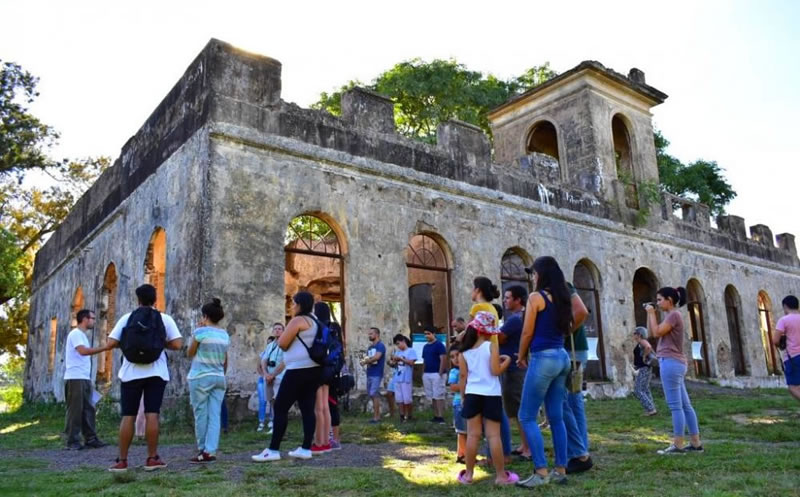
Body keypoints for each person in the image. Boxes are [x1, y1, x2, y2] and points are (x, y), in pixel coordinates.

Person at [106, 284, 183, 472]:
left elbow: (111, 342)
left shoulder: (127, 318)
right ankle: (152, 458)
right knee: (152, 414)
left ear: (138, 299)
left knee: (128, 416)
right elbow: (177, 344)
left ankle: (122, 461)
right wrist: (158, 342)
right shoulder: (164, 319)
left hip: (130, 373)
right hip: (156, 372)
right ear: (155, 299)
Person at [516, 256, 573, 487]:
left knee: (526, 416)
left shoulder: (536, 297)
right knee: (556, 417)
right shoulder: (563, 297)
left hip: (543, 358)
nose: (532, 277)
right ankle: (561, 469)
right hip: (562, 356)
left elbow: (527, 332)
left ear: (540, 274)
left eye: (533, 273)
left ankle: (540, 472)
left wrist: (521, 355)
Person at [251, 291, 322, 462]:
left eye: (293, 303)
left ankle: (273, 449)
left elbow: (282, 343)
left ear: (300, 304)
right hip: (313, 370)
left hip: (297, 370)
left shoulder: (297, 320)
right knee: (307, 409)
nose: (291, 306)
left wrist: (286, 337)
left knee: (280, 407)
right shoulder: (315, 321)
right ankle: (306, 448)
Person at [456, 311, 518, 485]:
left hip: (472, 394)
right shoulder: (491, 346)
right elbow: (495, 371)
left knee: (472, 435)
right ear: (485, 331)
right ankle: (501, 476)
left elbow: (463, 377)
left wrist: (463, 396)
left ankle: (468, 475)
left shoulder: (464, 352)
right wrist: (506, 361)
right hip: (491, 394)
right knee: (493, 436)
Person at [646, 286, 703, 455]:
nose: (657, 303)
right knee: (685, 405)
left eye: (659, 300)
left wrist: (651, 313)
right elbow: (652, 332)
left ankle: (678, 445)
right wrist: (650, 314)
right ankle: (695, 443)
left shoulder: (674, 315)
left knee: (675, 407)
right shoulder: (671, 316)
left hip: (671, 363)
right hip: (675, 363)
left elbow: (657, 333)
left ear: (669, 300)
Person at [186, 298, 229, 463]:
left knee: (201, 414)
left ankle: (202, 449)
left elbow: (190, 353)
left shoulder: (200, 332)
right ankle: (210, 451)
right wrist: (221, 373)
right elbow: (225, 359)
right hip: (218, 376)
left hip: (200, 377)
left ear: (205, 316)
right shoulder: (224, 335)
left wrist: (197, 331)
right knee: (214, 415)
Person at [63, 309, 108, 450]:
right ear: (85, 319)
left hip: (84, 377)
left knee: (88, 409)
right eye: (92, 318)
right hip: (75, 378)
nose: (94, 321)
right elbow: (83, 351)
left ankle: (91, 439)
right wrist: (105, 348)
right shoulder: (76, 334)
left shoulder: (82, 335)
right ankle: (72, 441)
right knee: (75, 411)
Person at [562, 283, 593, 474]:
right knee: (573, 402)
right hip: (572, 351)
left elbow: (581, 312)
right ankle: (580, 450)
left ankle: (579, 453)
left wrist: (564, 332)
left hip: (572, 351)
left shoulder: (563, 285)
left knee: (570, 402)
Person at [499, 285, 529, 459]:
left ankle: (528, 448)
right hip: (515, 368)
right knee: (516, 410)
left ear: (518, 300)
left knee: (519, 410)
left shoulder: (515, 320)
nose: (505, 300)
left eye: (508, 297)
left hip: (514, 369)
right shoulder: (521, 317)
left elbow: (499, 337)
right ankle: (524, 445)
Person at [312, 302, 333, 454]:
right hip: (329, 370)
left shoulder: (317, 327)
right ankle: (326, 441)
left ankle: (318, 442)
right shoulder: (332, 328)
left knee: (318, 408)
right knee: (325, 407)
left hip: (318, 369)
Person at [259, 323, 286, 434]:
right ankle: (275, 425)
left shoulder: (285, 344)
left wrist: (273, 375)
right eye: (275, 329)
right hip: (268, 377)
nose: (277, 331)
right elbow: (264, 360)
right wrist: (266, 374)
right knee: (272, 402)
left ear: (283, 331)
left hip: (280, 377)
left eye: (279, 329)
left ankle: (280, 427)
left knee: (280, 403)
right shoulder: (270, 345)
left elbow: (284, 362)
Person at [772, 295, 800, 402]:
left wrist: (781, 343)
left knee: (793, 387)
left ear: (785, 306)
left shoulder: (784, 320)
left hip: (793, 357)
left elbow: (775, 340)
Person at [421, 326, 447, 424]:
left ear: (434, 334)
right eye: (425, 334)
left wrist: (440, 372)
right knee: (432, 396)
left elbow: (443, 359)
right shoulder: (425, 347)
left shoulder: (439, 345)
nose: (426, 336)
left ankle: (441, 416)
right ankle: (436, 415)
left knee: (438, 395)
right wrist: (423, 372)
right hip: (427, 373)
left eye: (428, 333)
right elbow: (424, 360)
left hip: (437, 373)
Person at [360, 327, 386, 423]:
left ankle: (376, 417)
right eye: (369, 334)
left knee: (373, 394)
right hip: (370, 373)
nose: (369, 335)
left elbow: (377, 357)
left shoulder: (380, 346)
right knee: (371, 394)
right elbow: (368, 358)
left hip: (376, 373)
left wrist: (366, 361)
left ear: (377, 334)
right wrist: (363, 361)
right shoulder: (370, 347)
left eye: (371, 334)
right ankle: (377, 415)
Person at [390, 334, 417, 421]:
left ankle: (409, 415)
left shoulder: (411, 351)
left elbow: (411, 363)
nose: (398, 346)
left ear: (403, 341)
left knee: (407, 399)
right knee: (399, 399)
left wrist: (401, 359)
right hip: (397, 377)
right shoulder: (398, 352)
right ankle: (402, 416)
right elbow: (393, 364)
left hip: (406, 378)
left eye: (398, 343)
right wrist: (392, 362)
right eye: (396, 344)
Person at [447, 346, 467, 464]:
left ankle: (464, 453)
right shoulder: (454, 372)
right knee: (462, 431)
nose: (455, 359)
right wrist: (465, 384)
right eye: (452, 357)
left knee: (468, 431)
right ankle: (462, 455)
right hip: (459, 403)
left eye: (457, 355)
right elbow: (453, 387)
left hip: (468, 402)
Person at [632, 327, 658, 415]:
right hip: (645, 367)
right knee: (645, 389)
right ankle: (651, 408)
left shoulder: (642, 341)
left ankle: (650, 409)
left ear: (639, 334)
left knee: (638, 390)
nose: (634, 335)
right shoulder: (640, 343)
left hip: (644, 368)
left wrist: (644, 356)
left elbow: (648, 347)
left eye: (635, 333)